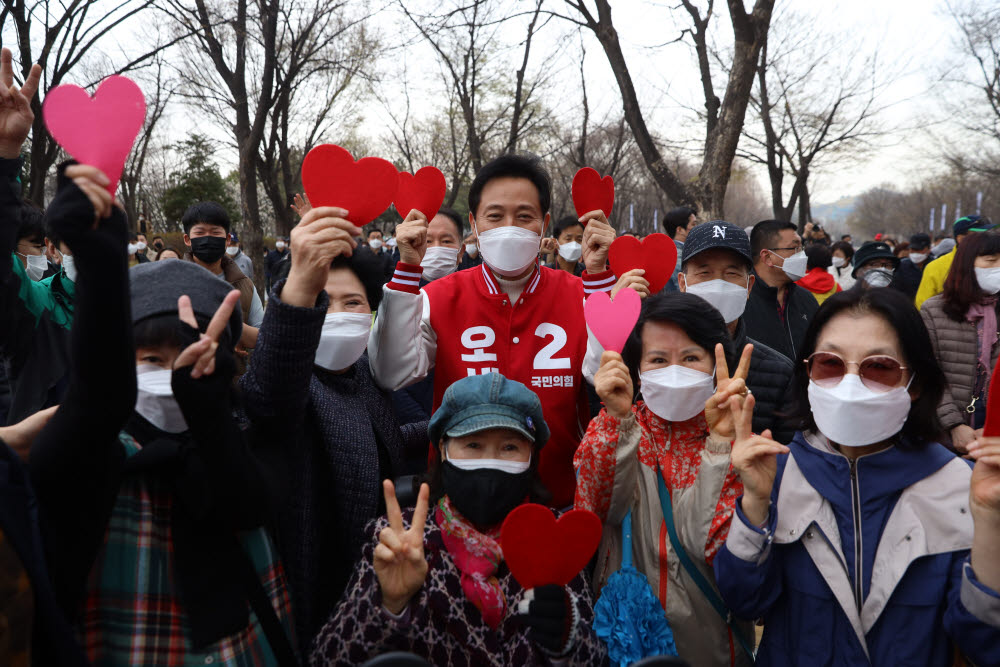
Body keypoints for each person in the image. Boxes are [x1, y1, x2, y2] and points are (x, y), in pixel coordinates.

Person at [28, 162, 297, 664]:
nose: (172, 375)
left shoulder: (243, 433)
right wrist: (99, 262)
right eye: (151, 359)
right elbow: (93, 401)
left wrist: (210, 413)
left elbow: (252, 501)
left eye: (190, 358)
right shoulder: (96, 446)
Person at [713, 287, 1000, 666]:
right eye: (829, 364)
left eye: (878, 367)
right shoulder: (778, 472)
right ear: (807, 372)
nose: (850, 385)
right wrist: (754, 504)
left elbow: (986, 644)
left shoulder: (957, 486)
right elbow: (743, 601)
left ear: (915, 383)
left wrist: (992, 523)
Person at [368, 154, 617, 507]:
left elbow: (603, 370)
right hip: (457, 505)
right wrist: (407, 269)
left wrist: (597, 277)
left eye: (525, 216)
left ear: (545, 225)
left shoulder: (581, 294)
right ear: (474, 223)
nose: (510, 227)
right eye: (496, 216)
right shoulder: (437, 296)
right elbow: (391, 371)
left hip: (559, 502)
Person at [311, 373, 607, 665]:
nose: (490, 461)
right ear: (443, 449)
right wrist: (387, 606)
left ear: (532, 456)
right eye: (473, 445)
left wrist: (565, 641)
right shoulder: (400, 538)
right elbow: (328, 657)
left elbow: (594, 658)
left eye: (509, 448)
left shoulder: (553, 536)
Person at [240, 203, 429, 651]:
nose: (338, 313)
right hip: (311, 587)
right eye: (323, 302)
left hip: (378, 583)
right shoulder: (290, 382)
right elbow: (270, 396)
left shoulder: (364, 374)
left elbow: (373, 440)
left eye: (353, 303)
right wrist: (302, 280)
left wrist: (441, 432)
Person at [575, 292, 754, 666]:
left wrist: (721, 443)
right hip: (627, 643)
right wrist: (617, 419)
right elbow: (594, 508)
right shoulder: (614, 429)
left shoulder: (744, 445)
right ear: (637, 368)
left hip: (712, 648)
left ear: (715, 362)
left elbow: (719, 551)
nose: (675, 370)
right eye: (658, 359)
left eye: (690, 358)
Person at [611, 220, 797, 443]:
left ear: (748, 286)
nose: (718, 284)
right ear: (682, 283)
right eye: (704, 273)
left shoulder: (780, 373)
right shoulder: (641, 360)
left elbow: (787, 459)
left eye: (731, 273)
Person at [920, 232, 1000, 454]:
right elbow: (927, 372)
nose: (998, 267)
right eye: (991, 261)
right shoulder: (934, 310)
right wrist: (953, 424)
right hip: (941, 435)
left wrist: (993, 429)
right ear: (966, 263)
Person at [181, 201, 263, 333]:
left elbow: (263, 337)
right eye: (200, 233)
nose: (207, 238)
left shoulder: (244, 285)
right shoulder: (173, 280)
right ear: (187, 239)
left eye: (215, 232)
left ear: (227, 239)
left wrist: (233, 332)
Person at [743, 219, 819, 360]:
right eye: (794, 249)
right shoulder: (740, 301)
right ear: (767, 257)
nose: (802, 256)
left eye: (801, 248)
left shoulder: (806, 300)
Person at [916, 215, 996, 309]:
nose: (987, 239)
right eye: (980, 235)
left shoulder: (996, 263)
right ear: (961, 239)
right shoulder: (936, 267)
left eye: (989, 234)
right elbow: (922, 306)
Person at [663, 206, 697, 291]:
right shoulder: (678, 256)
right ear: (680, 230)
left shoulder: (670, 252)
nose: (697, 228)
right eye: (693, 224)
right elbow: (684, 291)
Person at [890, 233, 931, 299]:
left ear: (928, 249)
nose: (915, 252)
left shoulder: (935, 266)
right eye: (912, 249)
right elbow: (895, 290)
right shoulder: (902, 266)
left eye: (918, 250)